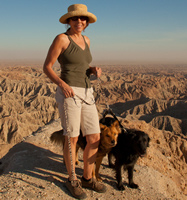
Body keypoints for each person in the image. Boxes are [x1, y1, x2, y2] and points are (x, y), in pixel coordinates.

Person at [43, 3, 107, 199]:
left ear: (87, 22)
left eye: (83, 19)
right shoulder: (62, 39)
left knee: (94, 137)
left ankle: (88, 178)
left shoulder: (87, 40)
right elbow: (47, 67)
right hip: (69, 92)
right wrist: (62, 85)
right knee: (71, 138)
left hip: (87, 92)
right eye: (75, 19)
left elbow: (82, 66)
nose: (79, 22)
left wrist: (93, 70)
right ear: (68, 21)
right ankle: (72, 180)